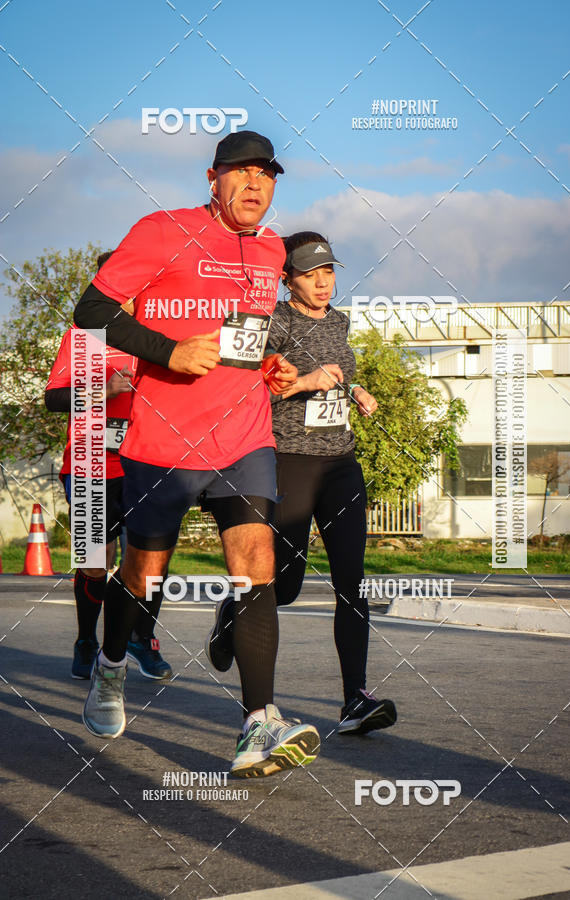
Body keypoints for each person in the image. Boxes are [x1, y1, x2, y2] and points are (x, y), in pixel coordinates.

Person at [73, 131, 320, 779]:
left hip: (243, 436)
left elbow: (245, 331)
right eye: (241, 173)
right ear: (213, 179)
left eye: (267, 175)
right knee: (141, 573)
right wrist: (169, 352)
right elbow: (91, 310)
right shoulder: (162, 230)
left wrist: (271, 365)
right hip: (163, 439)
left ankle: (258, 724)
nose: (255, 185)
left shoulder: (271, 250)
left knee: (255, 561)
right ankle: (111, 666)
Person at [267, 232, 396, 735]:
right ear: (287, 278)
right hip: (292, 463)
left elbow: (338, 372)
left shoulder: (339, 321)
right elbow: (249, 394)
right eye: (310, 273)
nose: (323, 282)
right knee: (285, 586)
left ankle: (354, 702)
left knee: (352, 583)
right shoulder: (276, 323)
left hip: (340, 463)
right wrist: (303, 382)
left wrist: (355, 388)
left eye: (329, 271)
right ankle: (235, 609)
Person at [45, 252, 172, 681]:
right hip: (89, 462)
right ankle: (86, 639)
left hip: (145, 462)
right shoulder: (81, 338)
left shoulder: (156, 337)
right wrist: (98, 388)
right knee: (96, 560)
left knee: (152, 558)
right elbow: (53, 399)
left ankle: (142, 637)